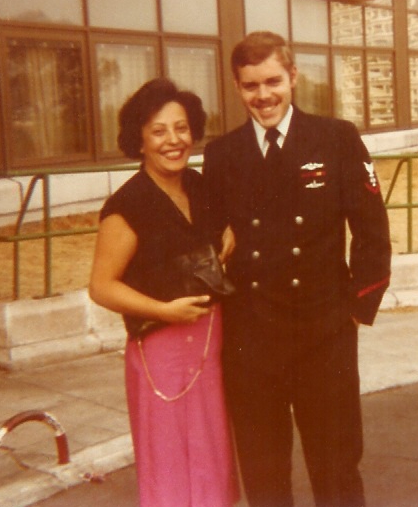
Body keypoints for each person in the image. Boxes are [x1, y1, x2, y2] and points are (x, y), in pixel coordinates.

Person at [202, 32, 392, 507]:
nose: (263, 96)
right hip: (252, 339)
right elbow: (209, 238)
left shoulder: (336, 138)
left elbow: (372, 231)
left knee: (336, 469)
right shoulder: (222, 154)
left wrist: (356, 310)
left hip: (322, 334)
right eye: (251, 85)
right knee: (264, 476)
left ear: (293, 77)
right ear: (237, 86)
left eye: (273, 81)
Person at [89, 78, 239, 507]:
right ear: (139, 141)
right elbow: (101, 286)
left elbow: (219, 236)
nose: (173, 140)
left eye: (181, 128)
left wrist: (231, 231)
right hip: (161, 352)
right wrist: (164, 311)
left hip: (211, 344)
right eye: (159, 131)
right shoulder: (127, 205)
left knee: (212, 457)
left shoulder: (200, 187)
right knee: (170, 462)